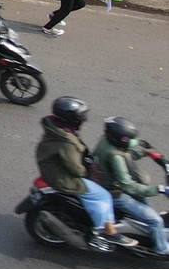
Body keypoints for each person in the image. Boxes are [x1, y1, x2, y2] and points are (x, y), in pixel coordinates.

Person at [36, 96, 138, 251]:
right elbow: (76, 169)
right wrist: (89, 172)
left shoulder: (58, 128)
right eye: (81, 116)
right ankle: (104, 232)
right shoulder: (66, 141)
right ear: (72, 118)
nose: (84, 119)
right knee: (103, 195)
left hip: (56, 169)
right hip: (64, 178)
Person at [93, 116, 169, 258]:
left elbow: (131, 147)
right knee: (155, 220)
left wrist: (151, 153)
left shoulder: (106, 140)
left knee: (145, 209)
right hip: (116, 193)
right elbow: (128, 186)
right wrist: (159, 189)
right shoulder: (115, 156)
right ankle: (162, 249)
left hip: (103, 183)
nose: (129, 142)